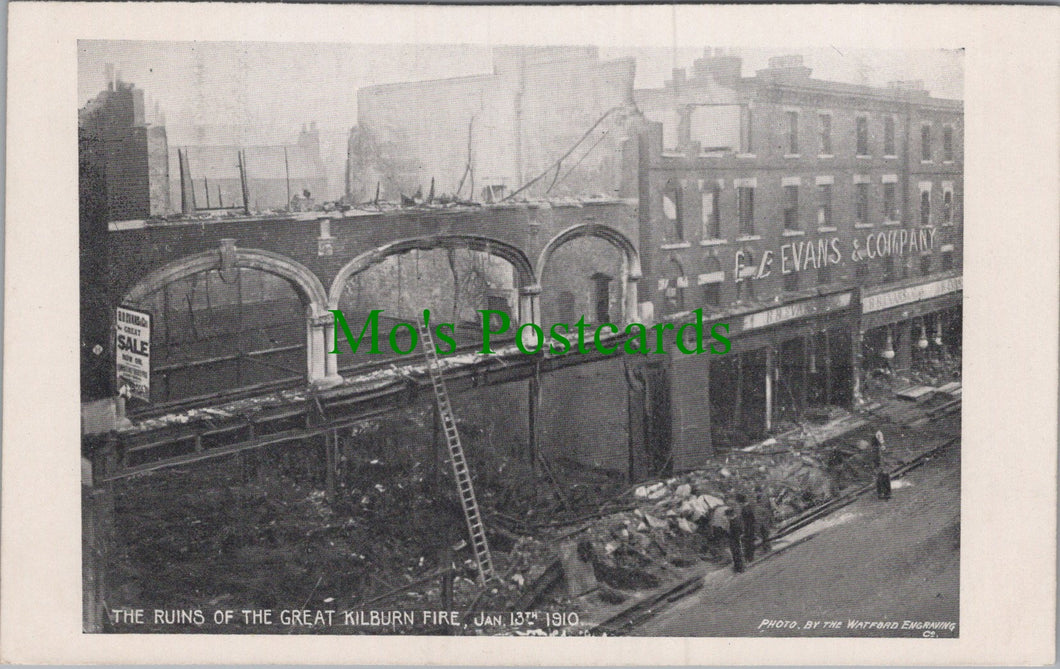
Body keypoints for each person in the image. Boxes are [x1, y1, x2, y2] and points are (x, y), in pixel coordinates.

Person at [735, 493, 756, 563]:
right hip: (751, 526)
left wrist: (744, 529)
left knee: (748, 542)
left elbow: (746, 520)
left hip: (748, 527)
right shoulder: (748, 506)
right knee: (750, 542)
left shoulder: (745, 508)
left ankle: (750, 557)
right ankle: (750, 557)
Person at [724, 508, 745, 573]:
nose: (726, 517)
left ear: (729, 515)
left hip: (735, 540)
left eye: (727, 516)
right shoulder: (736, 519)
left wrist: (727, 533)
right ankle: (739, 567)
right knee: (737, 554)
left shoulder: (733, 522)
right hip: (735, 539)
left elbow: (735, 532)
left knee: (736, 554)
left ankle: (740, 568)